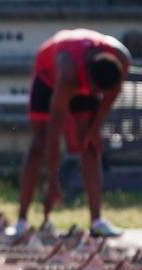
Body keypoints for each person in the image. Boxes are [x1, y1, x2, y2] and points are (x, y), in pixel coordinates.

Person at [12, 28, 131, 239]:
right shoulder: (67, 74)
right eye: (95, 91)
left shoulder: (121, 59)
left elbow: (111, 95)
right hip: (48, 78)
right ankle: (21, 219)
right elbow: (54, 132)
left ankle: (97, 220)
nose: (97, 96)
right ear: (88, 78)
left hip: (84, 72)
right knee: (39, 143)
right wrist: (52, 182)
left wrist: (93, 130)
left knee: (90, 145)